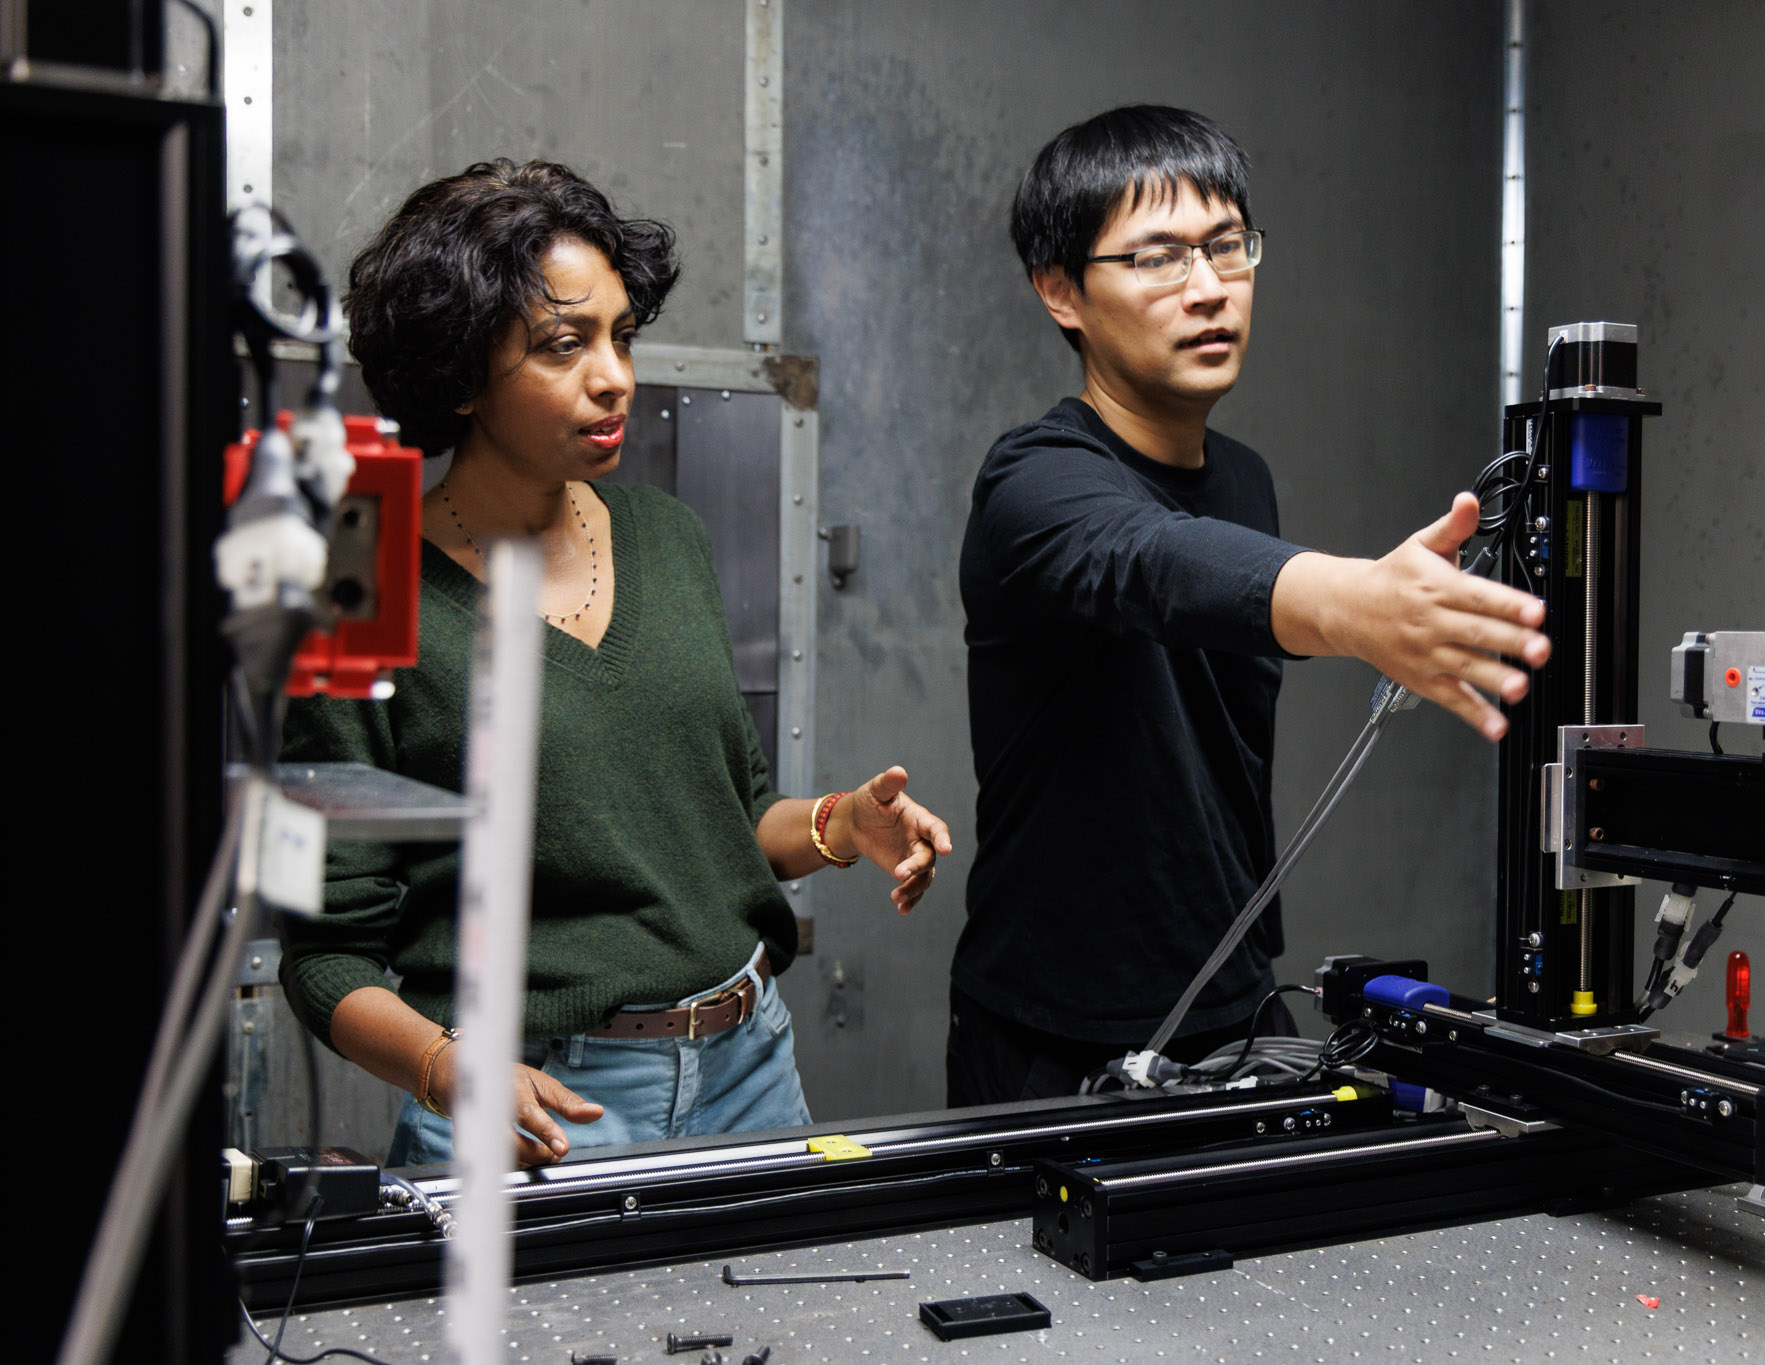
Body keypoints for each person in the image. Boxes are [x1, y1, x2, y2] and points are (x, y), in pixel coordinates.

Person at [279, 160, 951, 1167]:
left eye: (621, 336)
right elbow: (326, 953)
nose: (616, 377)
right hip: (540, 1107)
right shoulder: (359, 579)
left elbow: (727, 822)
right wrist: (443, 1067)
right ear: (459, 373)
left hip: (751, 1070)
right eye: (565, 345)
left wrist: (842, 822)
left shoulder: (665, 536)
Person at [948, 107, 1551, 1105]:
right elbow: (1148, 561)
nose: (1207, 287)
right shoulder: (1032, 481)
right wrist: (1355, 601)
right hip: (1052, 1030)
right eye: (1156, 258)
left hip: (1234, 1003)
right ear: (1061, 291)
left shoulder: (1244, 478)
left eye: (1226, 246)